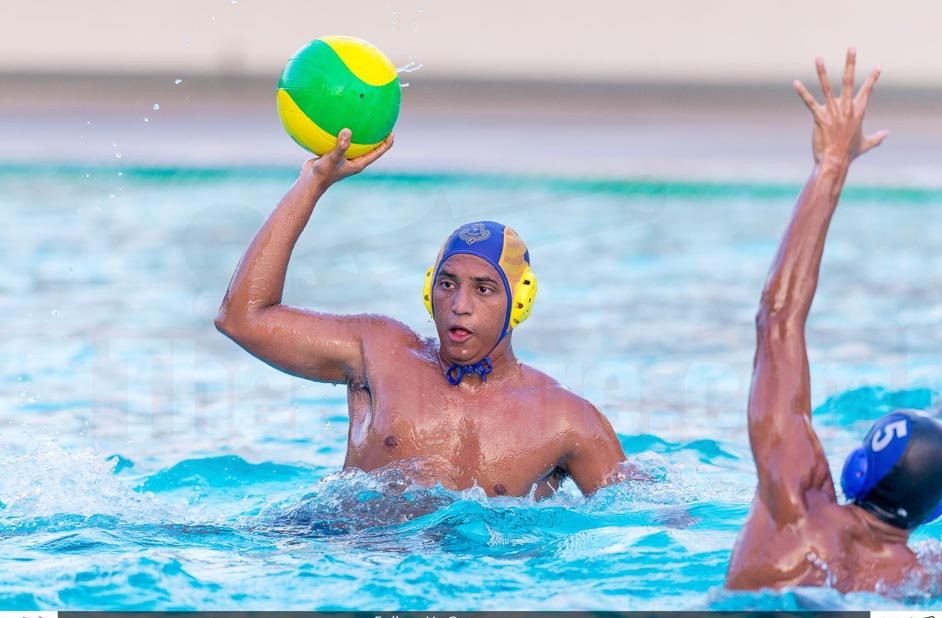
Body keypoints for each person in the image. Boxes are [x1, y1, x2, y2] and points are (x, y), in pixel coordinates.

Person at [215, 129, 634, 499]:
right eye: (448, 284)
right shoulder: (381, 353)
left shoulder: (565, 419)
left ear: (519, 301)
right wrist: (313, 183)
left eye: (484, 289)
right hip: (350, 548)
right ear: (429, 289)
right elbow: (241, 319)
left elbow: (646, 513)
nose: (460, 305)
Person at [725, 50, 942, 592]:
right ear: (936, 508)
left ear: (858, 467)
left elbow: (777, 319)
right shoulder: (935, 575)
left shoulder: (796, 502)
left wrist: (831, 165)